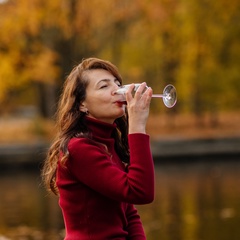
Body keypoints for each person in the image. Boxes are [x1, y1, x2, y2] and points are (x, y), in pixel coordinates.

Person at [42, 57, 155, 240]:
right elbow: (141, 192)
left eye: (118, 83)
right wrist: (138, 126)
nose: (118, 91)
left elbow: (129, 213)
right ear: (82, 104)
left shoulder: (108, 143)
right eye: (104, 86)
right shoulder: (78, 148)